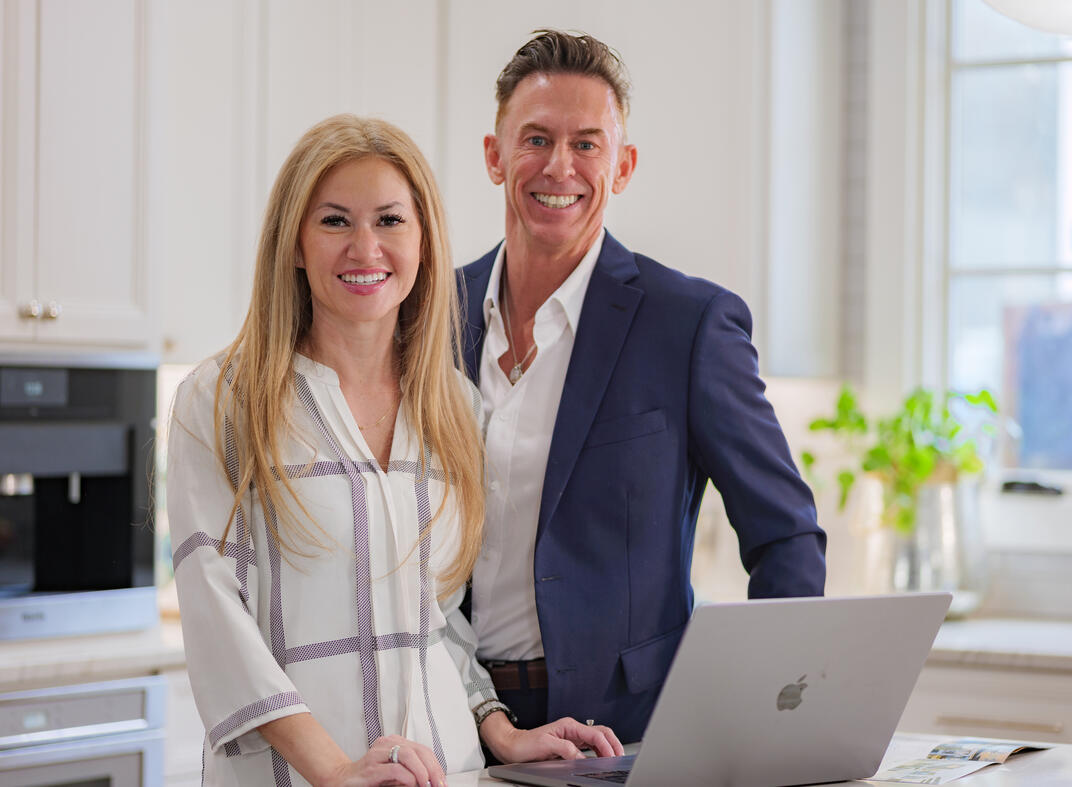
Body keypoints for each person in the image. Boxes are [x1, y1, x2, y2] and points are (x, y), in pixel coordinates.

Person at [167, 114, 621, 786]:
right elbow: (217, 619)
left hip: (448, 770)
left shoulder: (454, 407)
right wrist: (336, 771)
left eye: (389, 220)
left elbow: (436, 616)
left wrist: (502, 731)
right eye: (334, 221)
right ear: (295, 243)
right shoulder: (223, 400)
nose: (365, 247)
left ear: (424, 243)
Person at [458, 30, 829, 745]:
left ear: (622, 166)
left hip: (626, 734)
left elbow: (786, 536)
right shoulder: (429, 314)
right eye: (535, 139)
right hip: (452, 722)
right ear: (494, 155)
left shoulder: (688, 324)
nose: (559, 166)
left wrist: (770, 720)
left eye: (586, 144)